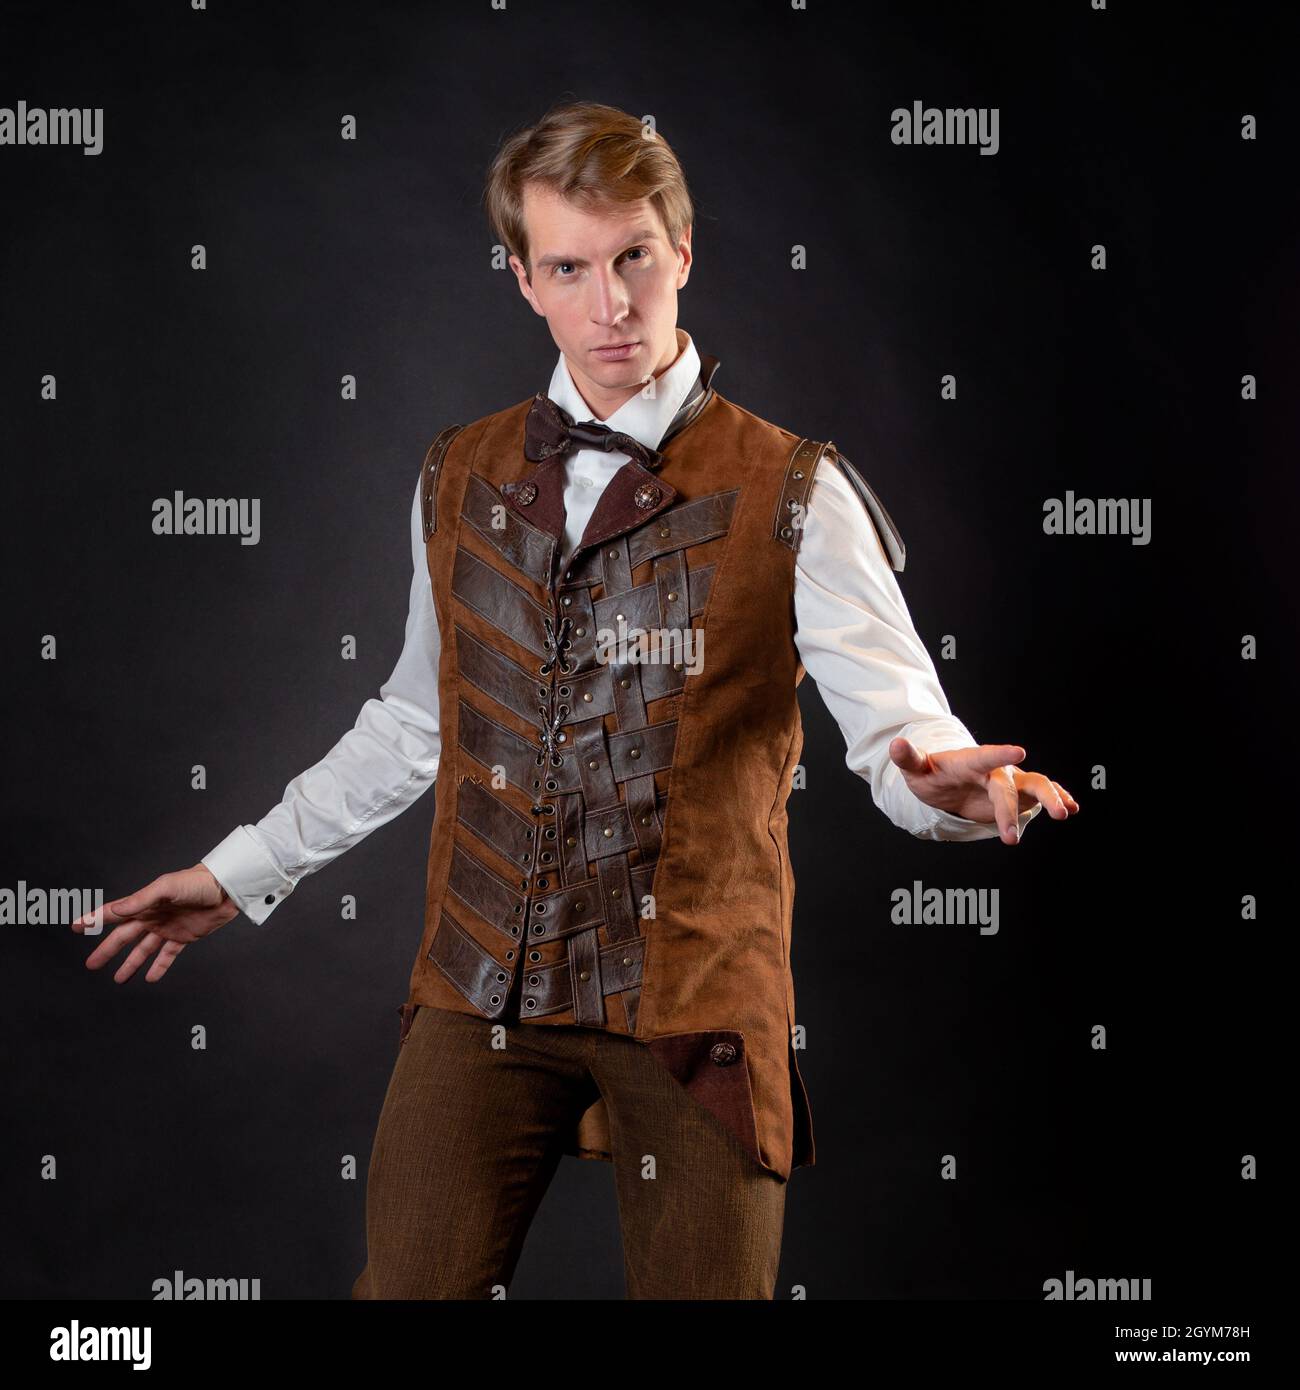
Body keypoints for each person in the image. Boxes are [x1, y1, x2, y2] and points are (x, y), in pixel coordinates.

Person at [73, 100, 1077, 1299]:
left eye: (633, 259)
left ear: (683, 252)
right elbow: (415, 719)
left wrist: (950, 782)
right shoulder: (458, 470)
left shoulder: (796, 491)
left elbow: (901, 732)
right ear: (521, 278)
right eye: (569, 267)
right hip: (479, 984)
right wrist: (240, 872)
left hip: (695, 1006)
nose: (610, 304)